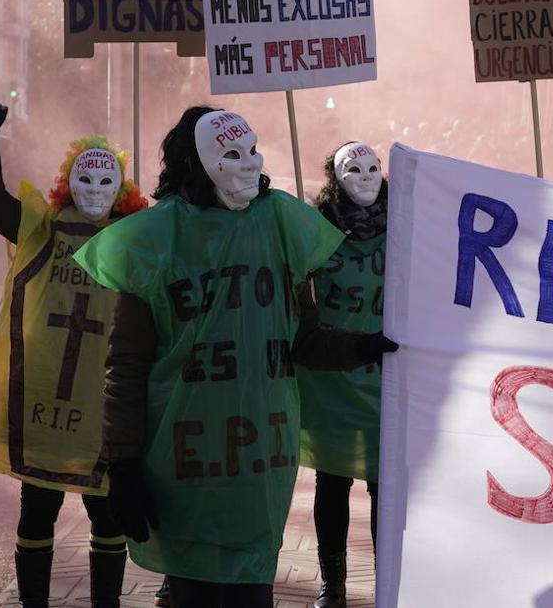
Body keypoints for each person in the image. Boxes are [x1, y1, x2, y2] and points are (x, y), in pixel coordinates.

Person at [71, 107, 397, 608]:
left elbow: (304, 339)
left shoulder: (281, 224)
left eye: (251, 151)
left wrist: (362, 346)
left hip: (261, 464)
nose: (246, 165)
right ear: (196, 164)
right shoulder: (155, 239)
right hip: (183, 464)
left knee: (250, 591)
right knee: (191, 593)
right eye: (228, 154)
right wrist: (123, 463)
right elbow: (127, 365)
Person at [0, 100, 146, 608]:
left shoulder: (133, 241)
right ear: (67, 181)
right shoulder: (41, 227)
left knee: (108, 516)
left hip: (105, 402)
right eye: (85, 180)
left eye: (108, 183)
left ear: (123, 190)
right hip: (46, 404)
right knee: (37, 511)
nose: (95, 191)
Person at [299, 142, 389, 608]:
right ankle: (332, 585)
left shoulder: (404, 224)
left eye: (375, 168)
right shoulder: (317, 229)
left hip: (386, 370)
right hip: (332, 372)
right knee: (332, 481)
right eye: (355, 170)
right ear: (336, 179)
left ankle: (385, 584)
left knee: (384, 485)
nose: (368, 176)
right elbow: (294, 281)